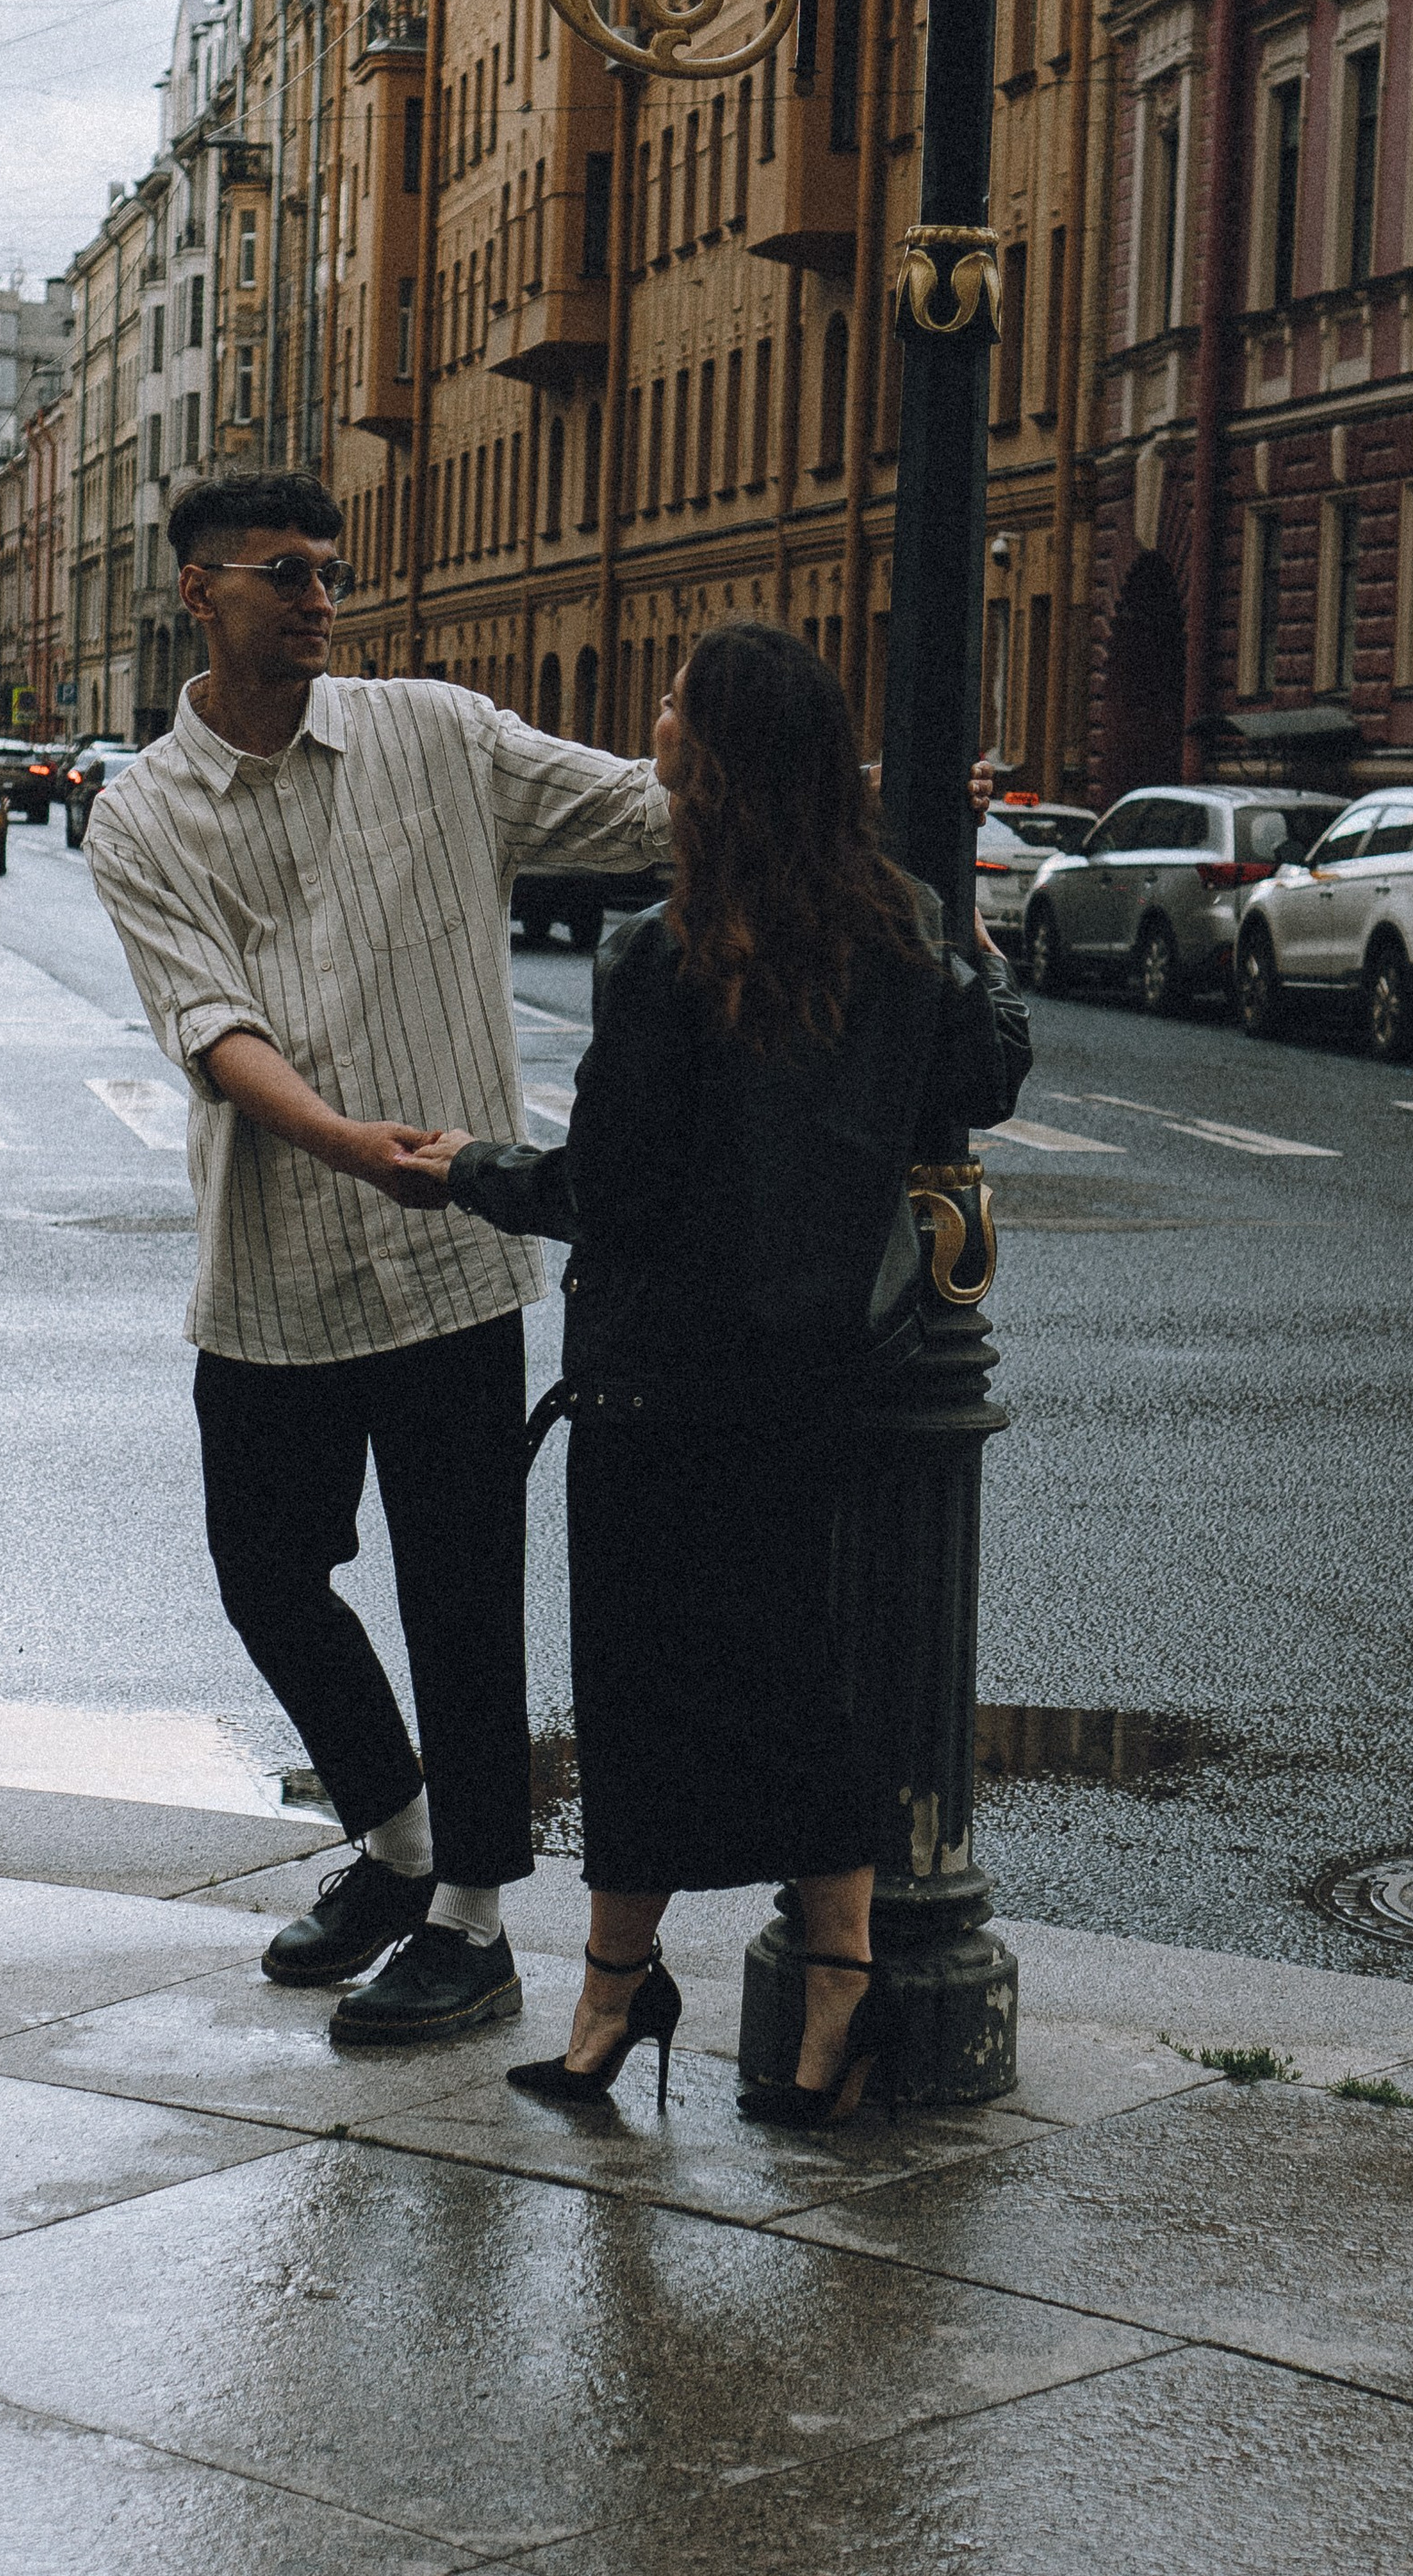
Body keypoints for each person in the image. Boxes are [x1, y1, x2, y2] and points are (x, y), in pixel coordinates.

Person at [396, 621, 1032, 2131]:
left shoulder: (659, 953)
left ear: (717, 753)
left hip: (655, 1382)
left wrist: (463, 1171)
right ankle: (841, 1993)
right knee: (798, 1681)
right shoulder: (896, 931)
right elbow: (986, 1074)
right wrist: (965, 941)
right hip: (817, 1374)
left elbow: (610, 1192)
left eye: (675, 699)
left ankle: (619, 1997)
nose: (658, 714)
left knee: (640, 1690)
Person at [83, 470, 675, 2048]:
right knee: (265, 1574)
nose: (323, 596)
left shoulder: (440, 734)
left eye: (332, 570)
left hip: (449, 1272)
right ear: (202, 592)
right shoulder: (141, 812)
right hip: (276, 1267)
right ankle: (396, 1843)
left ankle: (474, 1919)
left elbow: (640, 813)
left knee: (464, 1597)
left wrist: (781, 783)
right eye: (288, 572)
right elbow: (215, 1031)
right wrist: (361, 1149)